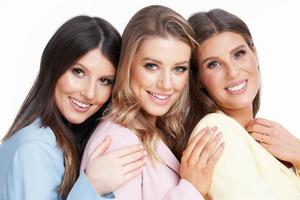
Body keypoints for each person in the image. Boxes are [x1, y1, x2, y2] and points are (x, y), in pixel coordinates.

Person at [81, 5, 224, 200]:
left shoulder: (155, 130)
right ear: (128, 65)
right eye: (152, 66)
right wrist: (191, 189)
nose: (166, 84)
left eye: (179, 69)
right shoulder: (119, 142)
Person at [0, 15, 146, 200]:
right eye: (78, 72)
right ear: (53, 67)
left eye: (104, 81)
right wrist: (92, 185)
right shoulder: (34, 149)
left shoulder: (60, 141)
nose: (90, 93)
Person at [187, 8, 300, 199]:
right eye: (213, 64)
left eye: (238, 54)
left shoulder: (266, 139)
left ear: (254, 54)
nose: (232, 72)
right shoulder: (215, 132)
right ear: (198, 78)